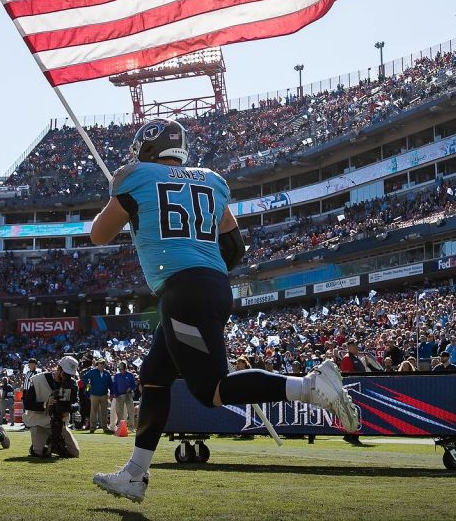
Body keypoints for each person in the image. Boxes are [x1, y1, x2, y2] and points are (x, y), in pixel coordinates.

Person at [90, 119, 359, 503]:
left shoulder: (134, 177)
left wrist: (130, 210)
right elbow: (234, 246)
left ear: (147, 150)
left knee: (211, 390)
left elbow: (100, 234)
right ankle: (134, 474)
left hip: (182, 290)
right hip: (211, 284)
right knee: (154, 375)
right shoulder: (210, 181)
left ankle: (309, 387)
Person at [24, 356, 81, 458]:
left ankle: (52, 445)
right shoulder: (39, 380)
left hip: (59, 423)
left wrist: (69, 408)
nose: (68, 377)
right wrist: (45, 404)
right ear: (59, 369)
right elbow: (27, 404)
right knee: (41, 452)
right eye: (66, 374)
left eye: (70, 375)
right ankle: (39, 446)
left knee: (74, 453)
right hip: (40, 423)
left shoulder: (71, 384)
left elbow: (76, 403)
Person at [82, 359, 112, 433]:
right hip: (94, 394)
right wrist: (88, 384)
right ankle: (92, 428)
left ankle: (105, 428)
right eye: (100, 364)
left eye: (103, 364)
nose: (101, 365)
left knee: (104, 412)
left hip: (104, 395)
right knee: (93, 411)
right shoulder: (92, 371)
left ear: (105, 365)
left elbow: (110, 384)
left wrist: (111, 393)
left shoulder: (107, 373)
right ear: (97, 364)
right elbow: (84, 377)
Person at [110, 362, 138, 432]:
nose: (121, 370)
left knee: (131, 411)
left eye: (122, 369)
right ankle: (121, 427)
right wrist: (116, 395)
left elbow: (134, 385)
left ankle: (131, 427)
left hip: (128, 395)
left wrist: (131, 388)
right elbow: (115, 386)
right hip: (119, 396)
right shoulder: (117, 376)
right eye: (120, 369)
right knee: (119, 412)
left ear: (125, 368)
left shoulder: (130, 375)